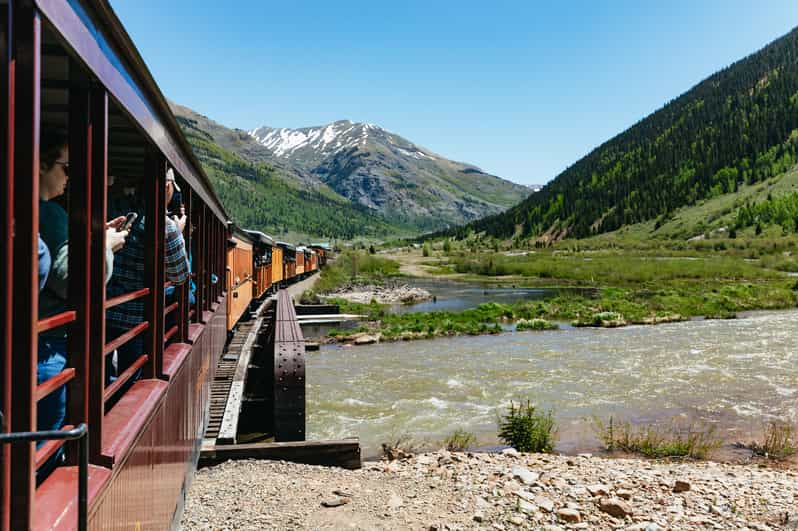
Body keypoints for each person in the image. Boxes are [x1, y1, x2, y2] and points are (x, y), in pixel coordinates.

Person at [37, 130, 128, 479]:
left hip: (41, 345)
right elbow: (73, 279)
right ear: (42, 165)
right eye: (66, 167)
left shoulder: (46, 213)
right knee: (46, 440)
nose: (69, 176)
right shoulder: (49, 213)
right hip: (46, 348)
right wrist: (106, 246)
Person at [106, 168, 189, 379]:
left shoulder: (114, 213)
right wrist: (179, 233)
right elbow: (180, 275)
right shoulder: (166, 226)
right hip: (134, 319)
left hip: (101, 312)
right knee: (130, 379)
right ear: (167, 187)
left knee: (99, 377)